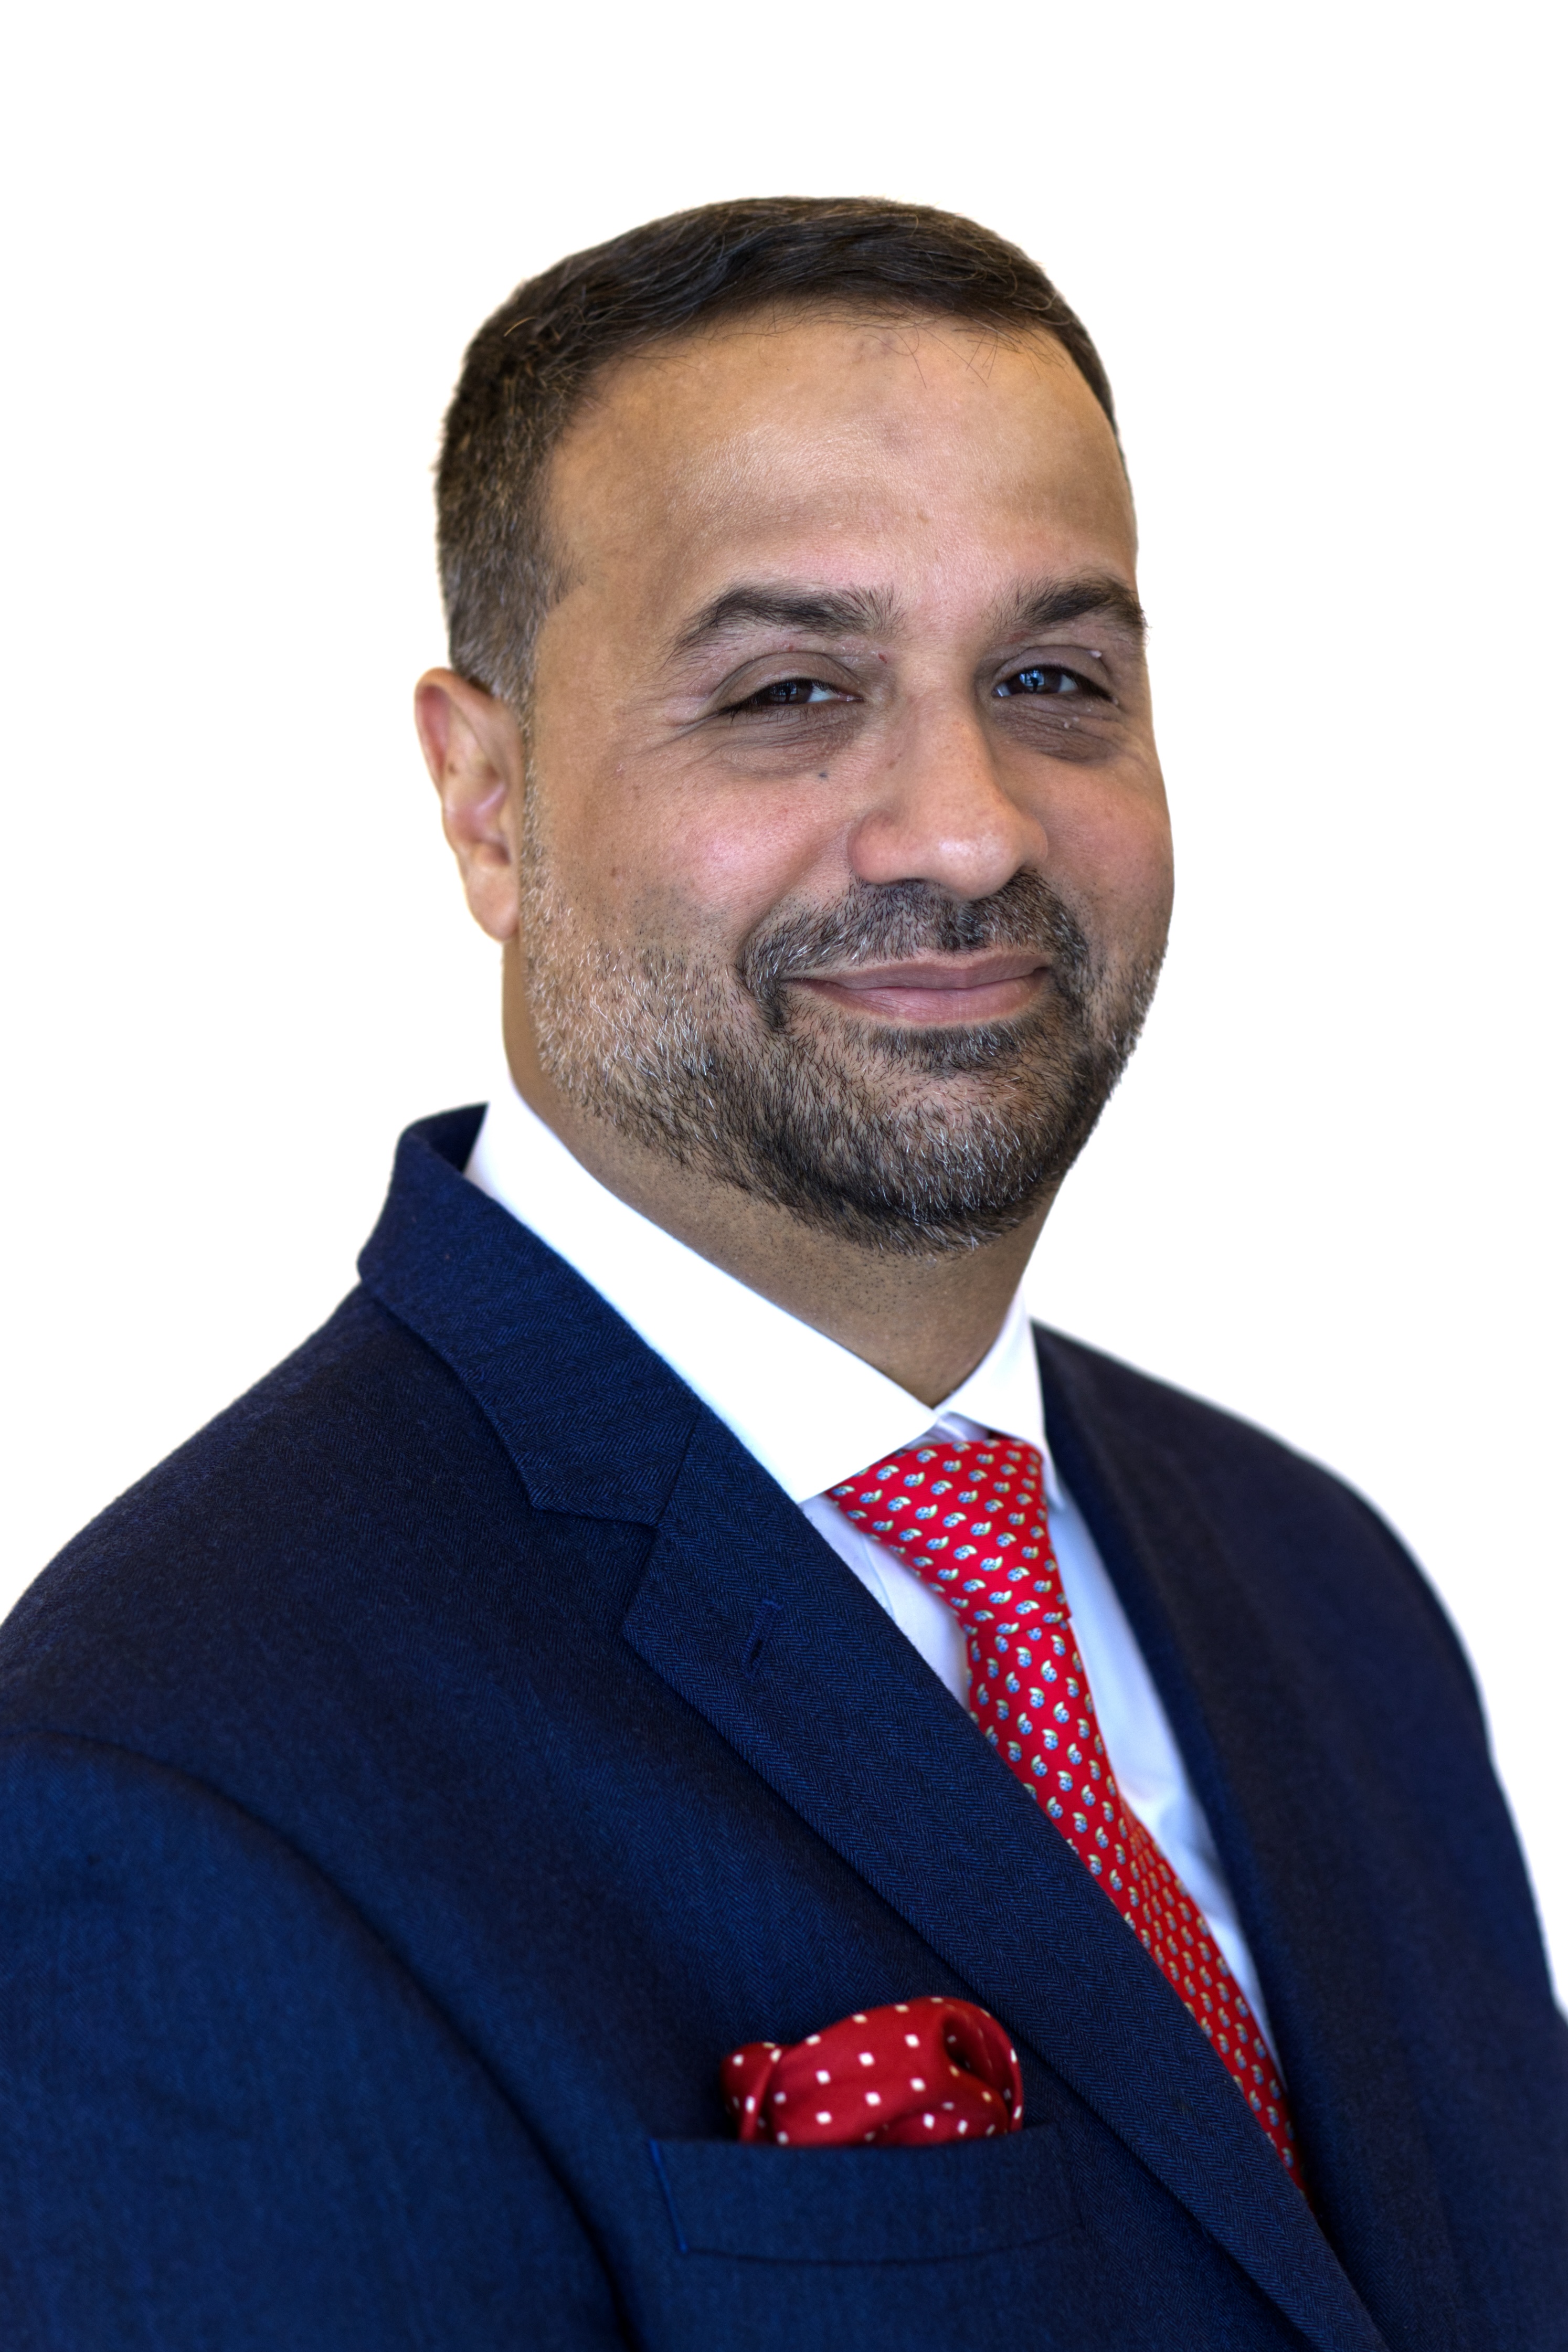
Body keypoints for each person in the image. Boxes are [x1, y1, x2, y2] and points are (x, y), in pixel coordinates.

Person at [0, 197, 1561, 2352]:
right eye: (792, 689)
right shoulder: (170, 1780)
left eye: (1050, 680)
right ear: (487, 801)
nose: (964, 826)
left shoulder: (1327, 1590)